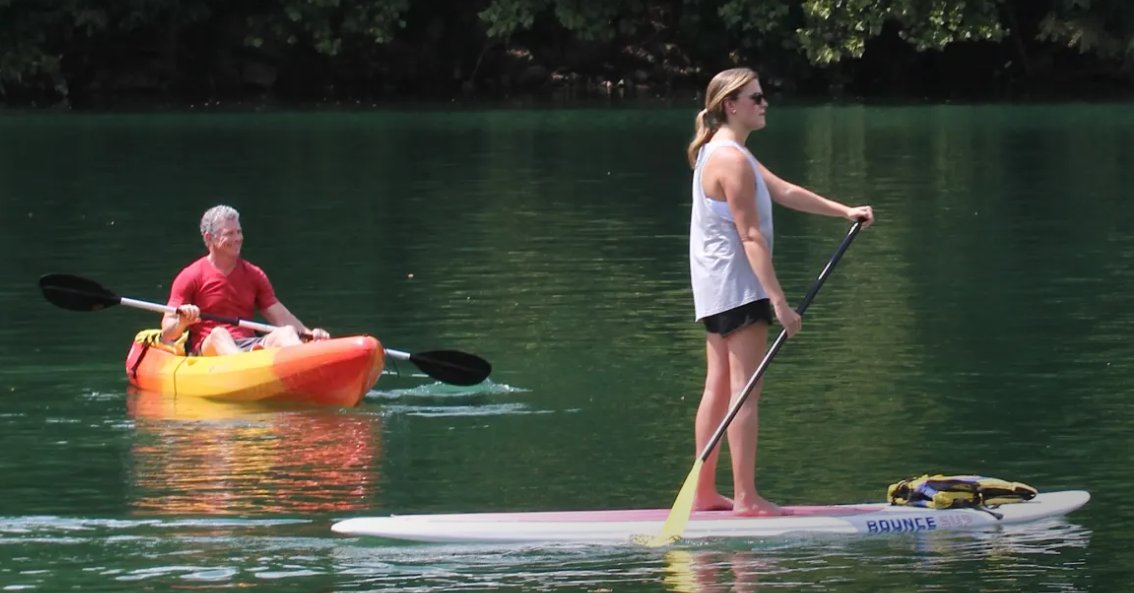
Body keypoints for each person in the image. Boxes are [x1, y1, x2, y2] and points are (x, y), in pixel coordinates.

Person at [687, 68, 875, 516]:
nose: (764, 102)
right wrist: (779, 303)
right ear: (731, 105)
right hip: (739, 288)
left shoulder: (726, 151)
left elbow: (784, 190)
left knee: (718, 389)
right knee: (744, 395)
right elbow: (750, 235)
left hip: (715, 288)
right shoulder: (730, 160)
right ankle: (746, 499)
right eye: (755, 97)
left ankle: (705, 493)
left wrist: (843, 211)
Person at [160, 205, 330, 356]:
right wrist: (182, 321)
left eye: (239, 232)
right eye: (229, 234)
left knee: (286, 332)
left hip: (247, 344)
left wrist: (311, 335)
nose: (237, 239)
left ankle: (305, 361)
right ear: (209, 238)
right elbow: (168, 332)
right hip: (208, 346)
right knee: (220, 333)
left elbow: (281, 317)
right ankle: (246, 364)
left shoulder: (254, 274)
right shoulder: (191, 275)